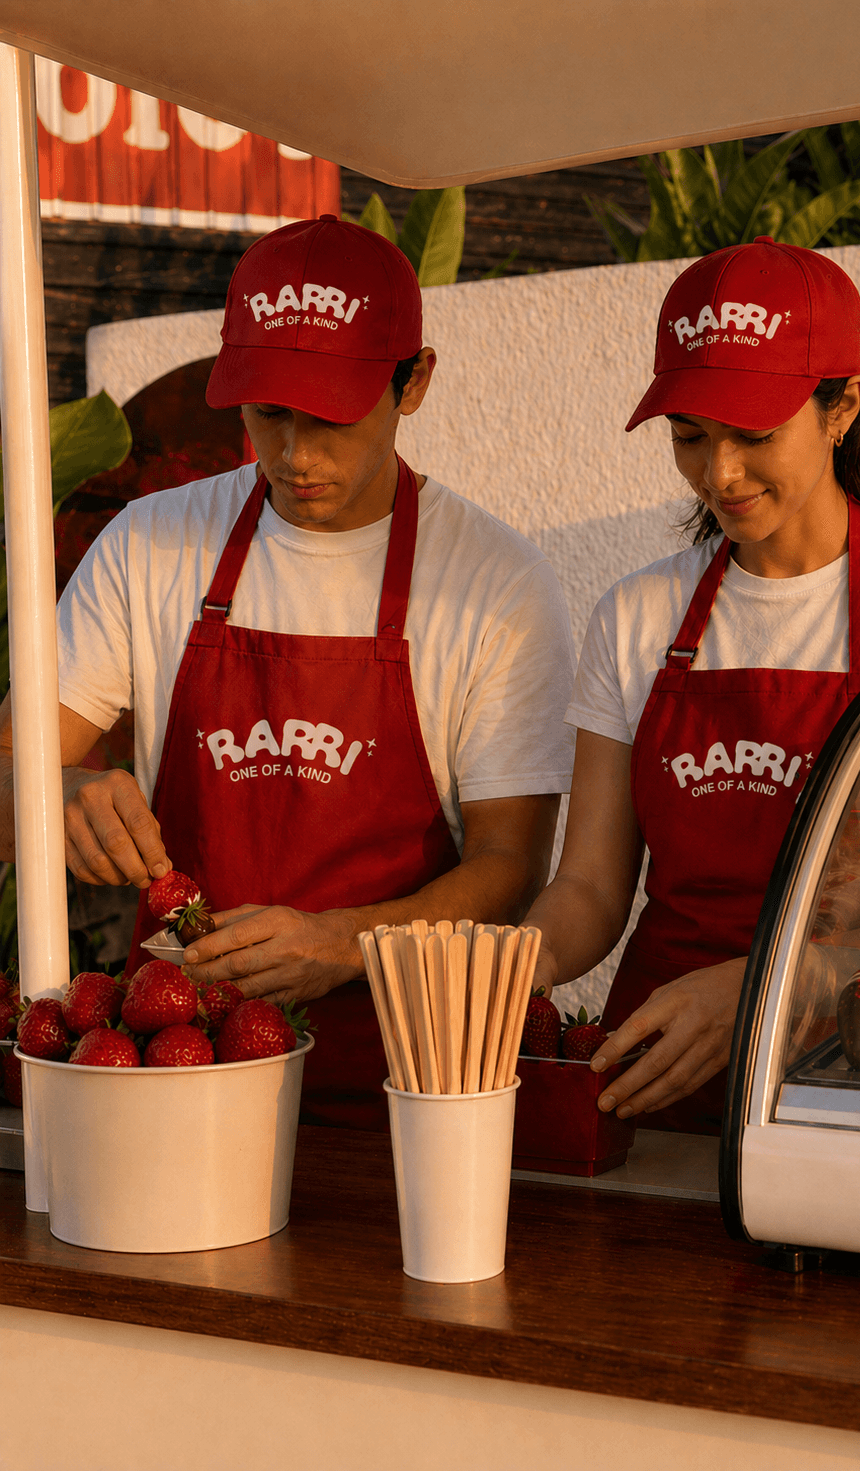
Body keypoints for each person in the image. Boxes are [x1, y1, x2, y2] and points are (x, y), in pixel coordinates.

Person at [0, 215, 576, 1129]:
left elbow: (510, 863)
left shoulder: (495, 583)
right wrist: (55, 790)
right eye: (270, 414)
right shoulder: (150, 545)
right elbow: (6, 776)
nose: (296, 456)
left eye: (332, 418)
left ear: (413, 381)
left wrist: (347, 942)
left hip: (410, 1066)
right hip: (182, 1064)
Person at [525, 235, 860, 1133]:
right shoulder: (638, 615)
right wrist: (488, 968)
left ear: (842, 405)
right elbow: (591, 890)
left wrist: (759, 989)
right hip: (660, 1085)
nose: (717, 473)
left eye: (753, 436)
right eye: (689, 437)